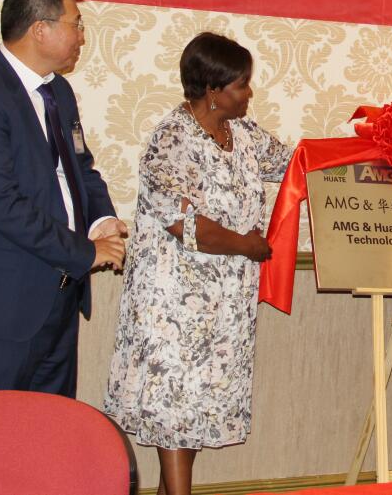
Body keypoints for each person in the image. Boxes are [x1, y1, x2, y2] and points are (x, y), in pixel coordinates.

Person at [104, 32, 293, 495]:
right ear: (212, 89)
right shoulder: (172, 138)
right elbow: (181, 222)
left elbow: (295, 165)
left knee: (193, 408)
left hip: (224, 302)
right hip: (173, 301)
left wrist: (373, 153)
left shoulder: (244, 135)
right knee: (173, 407)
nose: (249, 93)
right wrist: (246, 245)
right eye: (241, 84)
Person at [0, 0, 127, 398]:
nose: (82, 36)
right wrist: (86, 252)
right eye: (76, 24)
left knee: (49, 428)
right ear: (40, 29)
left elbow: (80, 168)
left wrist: (100, 218)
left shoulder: (58, 91)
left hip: (60, 296)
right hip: (3, 303)